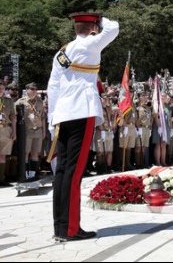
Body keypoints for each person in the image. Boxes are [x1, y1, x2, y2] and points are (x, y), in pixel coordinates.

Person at [47, 12, 119, 242]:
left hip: (62, 114)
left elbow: (53, 87)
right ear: (93, 28)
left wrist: (52, 119)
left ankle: (61, 227)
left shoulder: (61, 52)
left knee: (61, 172)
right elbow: (114, 27)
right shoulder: (90, 43)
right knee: (74, 172)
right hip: (82, 111)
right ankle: (70, 229)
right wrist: (100, 19)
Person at [15, 82, 46, 180]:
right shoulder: (20, 102)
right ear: (27, 90)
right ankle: (24, 173)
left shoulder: (40, 101)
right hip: (27, 131)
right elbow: (15, 118)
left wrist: (44, 131)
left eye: (35, 89)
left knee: (35, 153)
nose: (34, 91)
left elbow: (43, 118)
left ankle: (33, 174)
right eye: (32, 89)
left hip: (38, 130)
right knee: (25, 153)